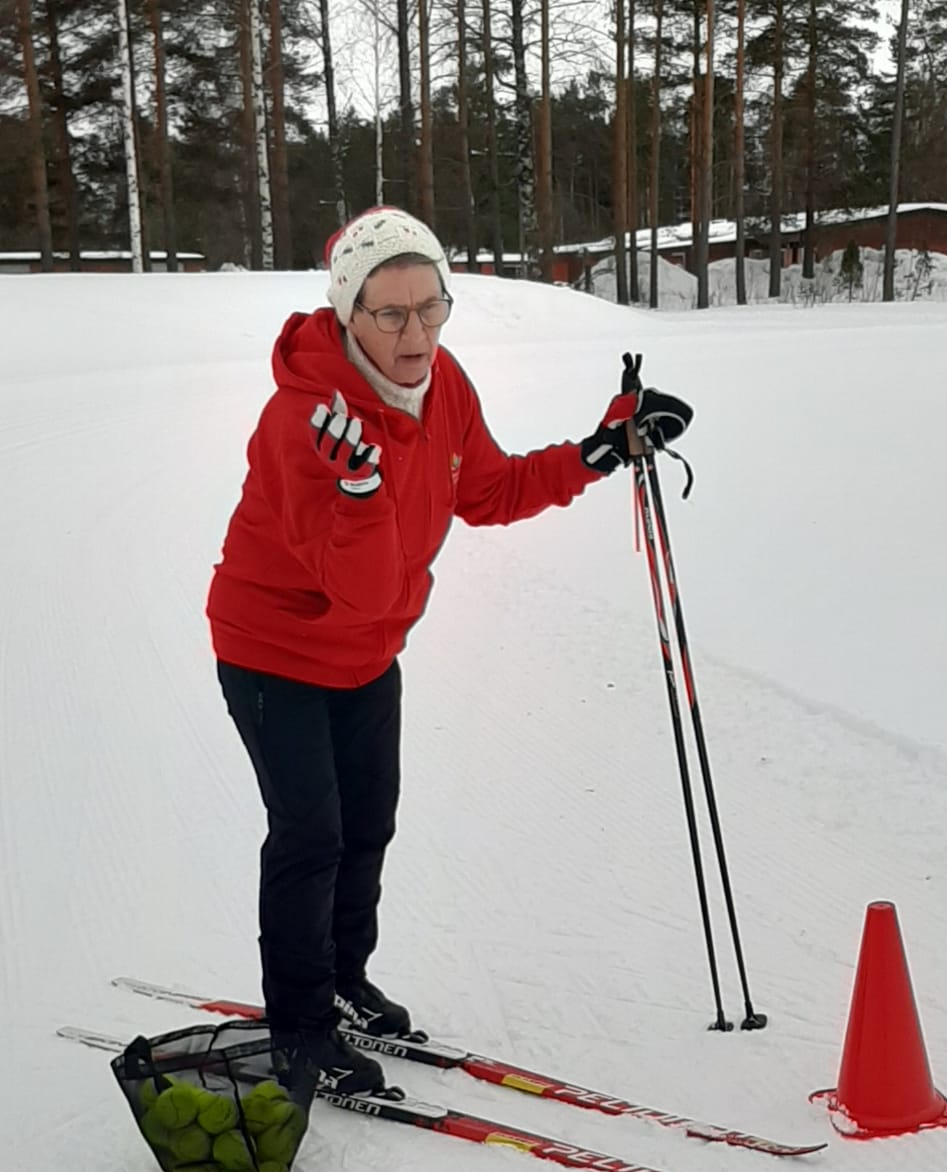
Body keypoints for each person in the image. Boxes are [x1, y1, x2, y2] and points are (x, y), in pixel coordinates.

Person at [207, 206, 692, 1098]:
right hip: (273, 648)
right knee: (312, 836)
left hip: (366, 651)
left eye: (431, 306)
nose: (416, 332)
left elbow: (489, 488)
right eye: (390, 314)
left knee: (368, 825)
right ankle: (300, 1026)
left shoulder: (444, 385)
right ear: (349, 314)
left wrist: (598, 451)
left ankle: (344, 983)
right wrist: (358, 489)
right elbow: (354, 584)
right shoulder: (304, 422)